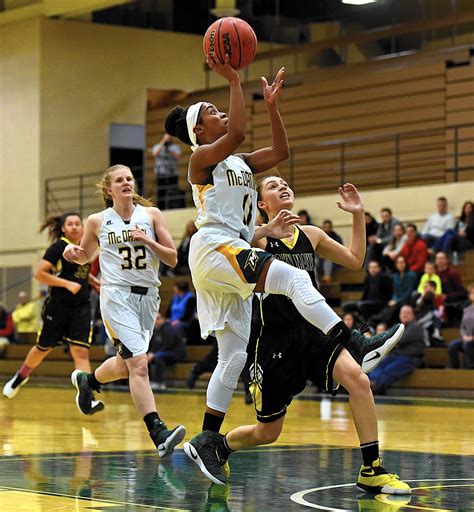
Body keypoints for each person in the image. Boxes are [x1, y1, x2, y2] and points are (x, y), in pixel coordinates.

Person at [163, 56, 405, 472]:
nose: (222, 113)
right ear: (198, 131)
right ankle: (354, 342)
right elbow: (237, 130)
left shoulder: (239, 164)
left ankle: (208, 440)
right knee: (292, 278)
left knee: (232, 355)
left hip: (231, 250)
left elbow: (281, 151)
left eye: (221, 106)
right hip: (213, 246)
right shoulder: (201, 159)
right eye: (211, 113)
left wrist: (273, 108)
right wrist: (235, 79)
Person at [186, 175, 408, 494]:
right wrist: (265, 229)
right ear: (261, 204)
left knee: (359, 381)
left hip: (316, 332)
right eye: (274, 186)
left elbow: (355, 260)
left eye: (286, 183)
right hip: (274, 340)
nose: (284, 186)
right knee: (268, 432)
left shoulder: (311, 235)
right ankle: (220, 447)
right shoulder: (257, 239)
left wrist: (358, 214)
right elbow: (223, 246)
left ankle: (372, 469)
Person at [62, 164, 185, 457]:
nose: (126, 183)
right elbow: (85, 256)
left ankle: (87, 381)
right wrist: (72, 253)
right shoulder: (97, 221)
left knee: (125, 364)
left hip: (148, 298)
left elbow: (172, 259)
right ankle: (159, 433)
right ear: (109, 189)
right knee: (139, 365)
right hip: (116, 298)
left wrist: (147, 240)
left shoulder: (152, 215)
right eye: (119, 180)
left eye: (129, 178)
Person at [3, 213, 103, 412]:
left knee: (80, 350)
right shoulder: (58, 248)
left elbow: (79, 274)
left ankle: (87, 397)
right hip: (58, 306)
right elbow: (40, 273)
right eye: (70, 224)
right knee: (43, 348)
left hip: (81, 306)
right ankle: (20, 376)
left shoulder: (85, 248)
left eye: (77, 224)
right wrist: (66, 284)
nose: (75, 227)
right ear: (63, 228)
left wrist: (92, 281)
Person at [369, 305, 427, 396]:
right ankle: (370, 385)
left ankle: (376, 389)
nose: (405, 315)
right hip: (395, 356)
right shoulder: (399, 326)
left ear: (413, 315)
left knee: (389, 370)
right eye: (403, 313)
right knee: (378, 365)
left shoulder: (415, 326)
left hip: (410, 358)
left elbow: (399, 340)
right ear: (399, 315)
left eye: (408, 313)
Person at [147, 313, 186, 390]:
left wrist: (154, 354)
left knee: (159, 358)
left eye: (158, 319)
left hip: (176, 353)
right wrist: (151, 353)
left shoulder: (168, 329)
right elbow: (154, 345)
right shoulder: (156, 330)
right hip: (165, 352)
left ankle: (159, 383)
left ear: (163, 319)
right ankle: (148, 381)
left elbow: (168, 345)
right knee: (145, 358)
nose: (156, 321)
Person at [150, 133, 182, 210]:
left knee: (173, 192)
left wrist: (168, 149)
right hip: (160, 174)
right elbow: (155, 154)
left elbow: (178, 157)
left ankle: (173, 207)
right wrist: (163, 142)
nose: (168, 139)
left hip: (172, 174)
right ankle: (161, 209)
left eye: (169, 137)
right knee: (161, 193)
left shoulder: (175, 147)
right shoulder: (157, 146)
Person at [448, 283, 474, 369]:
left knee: (468, 345)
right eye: (471, 293)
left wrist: (472, 338)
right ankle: (455, 369)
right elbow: (462, 326)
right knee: (452, 345)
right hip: (467, 338)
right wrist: (464, 336)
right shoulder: (467, 309)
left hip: (472, 339)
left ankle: (469, 369)